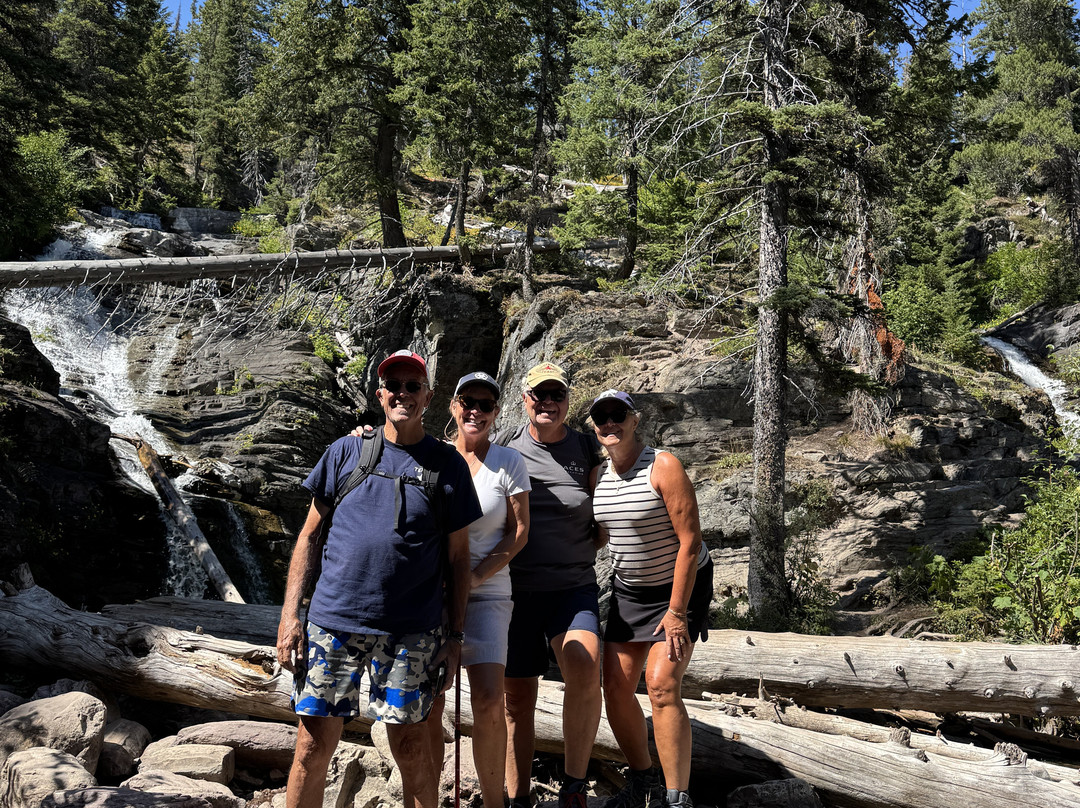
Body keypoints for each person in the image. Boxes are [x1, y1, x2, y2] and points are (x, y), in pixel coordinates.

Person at [276, 350, 482, 808]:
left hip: (414, 631)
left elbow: (458, 558)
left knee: (411, 749)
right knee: (311, 748)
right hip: (333, 622)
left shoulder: (446, 466)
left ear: (428, 397)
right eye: (395, 386)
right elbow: (309, 538)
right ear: (380, 394)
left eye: (413, 386)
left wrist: (454, 636)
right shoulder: (346, 451)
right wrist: (291, 616)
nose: (403, 394)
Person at [588, 390, 713, 808]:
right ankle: (643, 780)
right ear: (593, 425)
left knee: (660, 686)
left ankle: (678, 798)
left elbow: (691, 543)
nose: (610, 423)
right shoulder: (597, 477)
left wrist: (677, 612)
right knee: (617, 688)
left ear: (634, 419)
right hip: (629, 591)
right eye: (601, 417)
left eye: (617, 414)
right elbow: (602, 533)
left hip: (679, 588)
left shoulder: (664, 467)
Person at [499, 361, 603, 808]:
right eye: (539, 395)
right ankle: (516, 796)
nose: (548, 403)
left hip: (572, 586)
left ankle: (574, 787)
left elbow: (622, 473)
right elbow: (457, 455)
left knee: (584, 664)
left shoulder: (586, 448)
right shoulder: (505, 450)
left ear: (567, 401)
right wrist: (367, 434)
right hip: (516, 591)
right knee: (517, 700)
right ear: (524, 399)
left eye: (557, 395)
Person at [426, 371, 531, 808]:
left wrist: (474, 578)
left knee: (489, 700)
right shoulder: (430, 456)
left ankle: (494, 802)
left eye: (485, 404)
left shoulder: (509, 462)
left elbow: (520, 532)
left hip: (488, 595)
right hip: (432, 596)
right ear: (452, 406)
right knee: (430, 702)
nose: (475, 410)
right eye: (467, 400)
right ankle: (425, 797)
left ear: (496, 413)